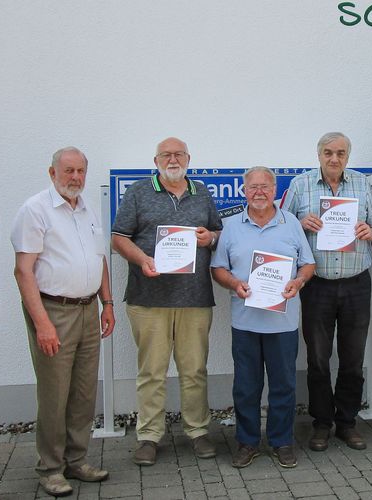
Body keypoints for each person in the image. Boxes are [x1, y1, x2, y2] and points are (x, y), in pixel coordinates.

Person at [111, 137, 223, 465]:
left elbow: (217, 232)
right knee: (152, 372)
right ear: (156, 159)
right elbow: (119, 237)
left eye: (178, 154)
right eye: (166, 155)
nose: (173, 159)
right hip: (149, 299)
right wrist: (143, 260)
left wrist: (211, 238)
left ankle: (198, 431)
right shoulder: (139, 192)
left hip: (195, 298)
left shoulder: (201, 191)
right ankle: (148, 436)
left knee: (194, 370)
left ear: (189, 157)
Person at [11, 147, 115, 496]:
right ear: (52, 172)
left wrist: (108, 304)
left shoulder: (86, 210)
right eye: (68, 170)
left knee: (84, 391)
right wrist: (42, 323)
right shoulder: (35, 210)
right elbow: (23, 271)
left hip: (88, 310)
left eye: (81, 171)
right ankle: (51, 468)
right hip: (53, 310)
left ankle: (77, 460)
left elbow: (98, 259)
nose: (76, 177)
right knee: (55, 394)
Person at [283, 132, 372, 451]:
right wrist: (300, 222)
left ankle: (348, 422)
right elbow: (282, 227)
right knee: (319, 359)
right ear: (319, 154)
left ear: (347, 156)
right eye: (328, 152)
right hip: (317, 285)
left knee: (353, 358)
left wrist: (371, 231)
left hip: (356, 282)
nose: (334, 158)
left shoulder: (361, 184)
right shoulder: (301, 185)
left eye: (340, 153)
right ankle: (322, 423)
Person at [211, 166, 316, 469]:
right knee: (246, 385)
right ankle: (247, 442)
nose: (259, 192)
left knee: (283, 384)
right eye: (253, 187)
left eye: (265, 187)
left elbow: (307, 264)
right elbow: (218, 268)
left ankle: (282, 441)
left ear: (274, 191)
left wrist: (298, 282)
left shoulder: (291, 223)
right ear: (244, 191)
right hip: (245, 321)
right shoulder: (230, 226)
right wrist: (234, 283)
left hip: (282, 323)